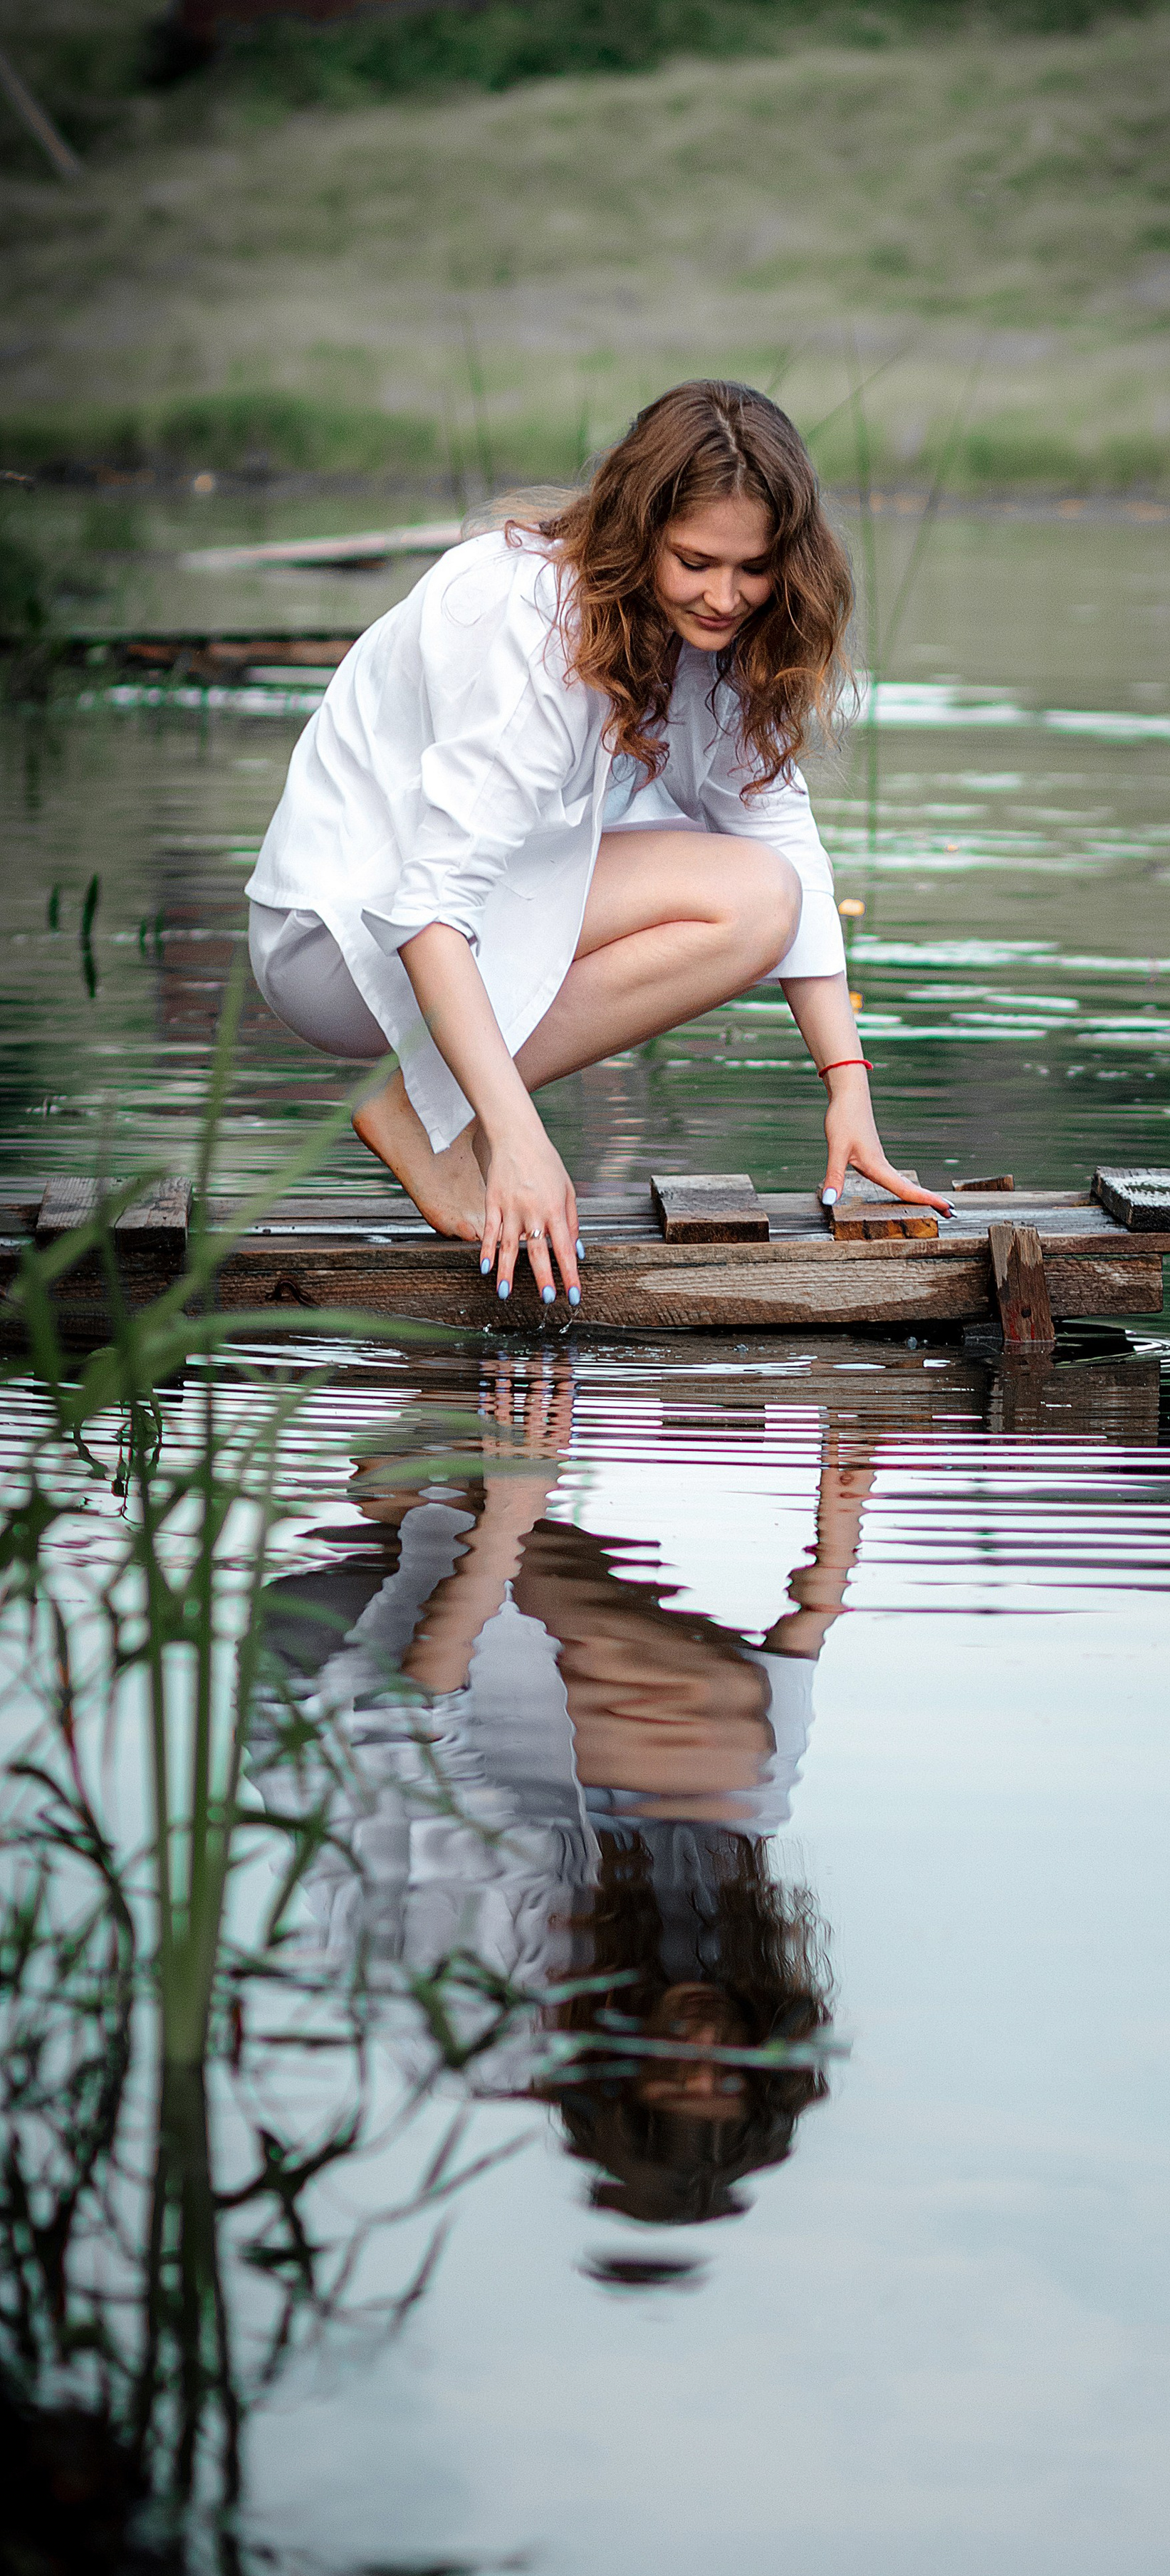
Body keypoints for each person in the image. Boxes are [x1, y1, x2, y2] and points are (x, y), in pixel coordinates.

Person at [245, 379, 949, 1306]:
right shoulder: (526, 618)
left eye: (755, 567)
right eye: (697, 560)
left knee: (761, 890)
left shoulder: (708, 633)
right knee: (746, 894)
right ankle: (437, 1117)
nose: (727, 596)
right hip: (338, 942)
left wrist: (847, 1087)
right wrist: (523, 1137)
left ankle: (433, 1110)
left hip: (448, 942)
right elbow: (427, 908)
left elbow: (777, 828)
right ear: (637, 527)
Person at [258, 1355, 871, 2236]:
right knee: (724, 1739)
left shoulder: (492, 2001)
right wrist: (837, 1532)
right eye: (726, 2070)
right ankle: (441, 1473)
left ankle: (445, 1453)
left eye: (670, 2074)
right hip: (492, 1723)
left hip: (332, 1683)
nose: (700, 2042)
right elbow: (760, 1785)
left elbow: (416, 1725)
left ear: (612, 2079)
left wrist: (507, 1517)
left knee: (667, 1710)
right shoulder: (693, 1960)